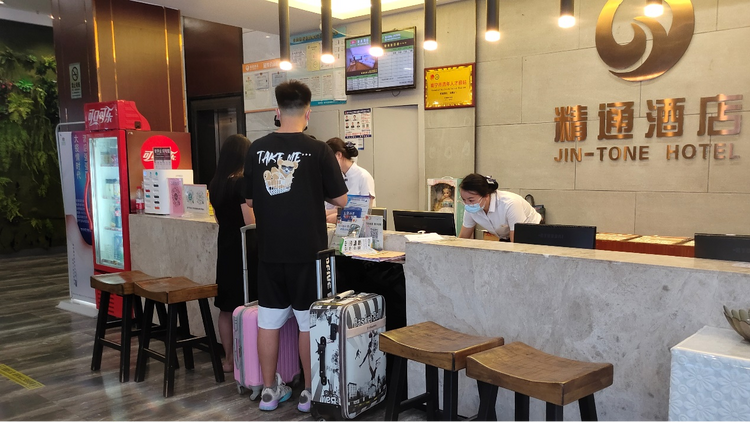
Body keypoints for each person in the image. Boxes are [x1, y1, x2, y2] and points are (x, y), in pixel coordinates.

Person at [243, 80, 348, 412]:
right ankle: (308, 392)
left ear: (277, 110)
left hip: (270, 251)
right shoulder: (318, 150)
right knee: (307, 322)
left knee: (268, 321)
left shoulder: (256, 149)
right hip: (308, 253)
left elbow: (250, 199)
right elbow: (342, 199)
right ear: (308, 111)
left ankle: (269, 392)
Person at [208, 134, 255, 374]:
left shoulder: (215, 183)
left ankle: (228, 360)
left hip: (225, 246)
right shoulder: (240, 184)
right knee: (245, 305)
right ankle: (247, 362)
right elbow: (250, 223)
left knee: (226, 307)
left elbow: (218, 219)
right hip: (243, 249)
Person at [458, 173, 541, 242]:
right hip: (506, 236)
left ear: (486, 195)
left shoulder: (509, 204)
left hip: (533, 233)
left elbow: (516, 245)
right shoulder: (471, 207)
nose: (467, 204)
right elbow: (463, 238)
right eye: (464, 200)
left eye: (471, 200)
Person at [324, 137, 376, 223]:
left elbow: (366, 209)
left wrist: (339, 216)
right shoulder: (338, 176)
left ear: (339, 155)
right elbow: (334, 206)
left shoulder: (363, 176)